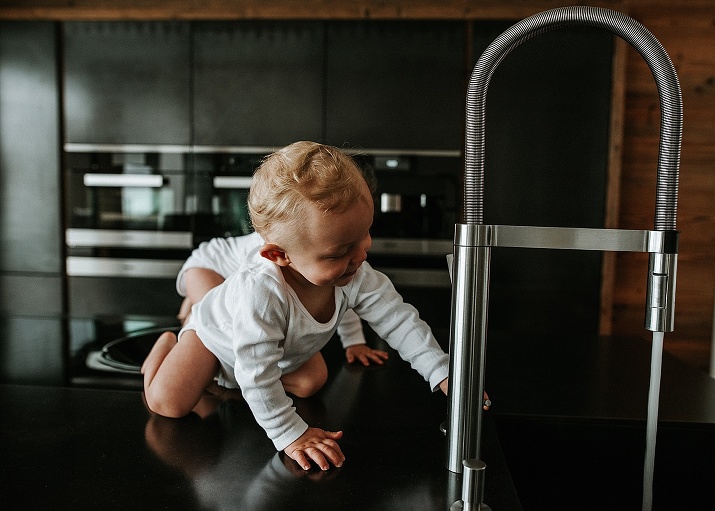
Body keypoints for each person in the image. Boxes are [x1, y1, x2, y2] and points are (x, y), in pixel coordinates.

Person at [142, 141, 472, 472]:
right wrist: (290, 434)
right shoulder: (260, 291)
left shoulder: (353, 271)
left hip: (271, 355)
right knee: (168, 404)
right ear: (278, 255)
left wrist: (441, 371)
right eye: (340, 251)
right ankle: (168, 346)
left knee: (313, 380)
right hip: (215, 341)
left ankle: (229, 386)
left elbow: (398, 320)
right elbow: (257, 371)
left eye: (365, 235)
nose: (361, 255)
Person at [175, 231, 389, 367]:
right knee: (221, 333)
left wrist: (354, 342)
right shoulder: (265, 260)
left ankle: (190, 304)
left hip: (231, 277)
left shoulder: (310, 248)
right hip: (206, 266)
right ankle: (189, 321)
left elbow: (340, 290)